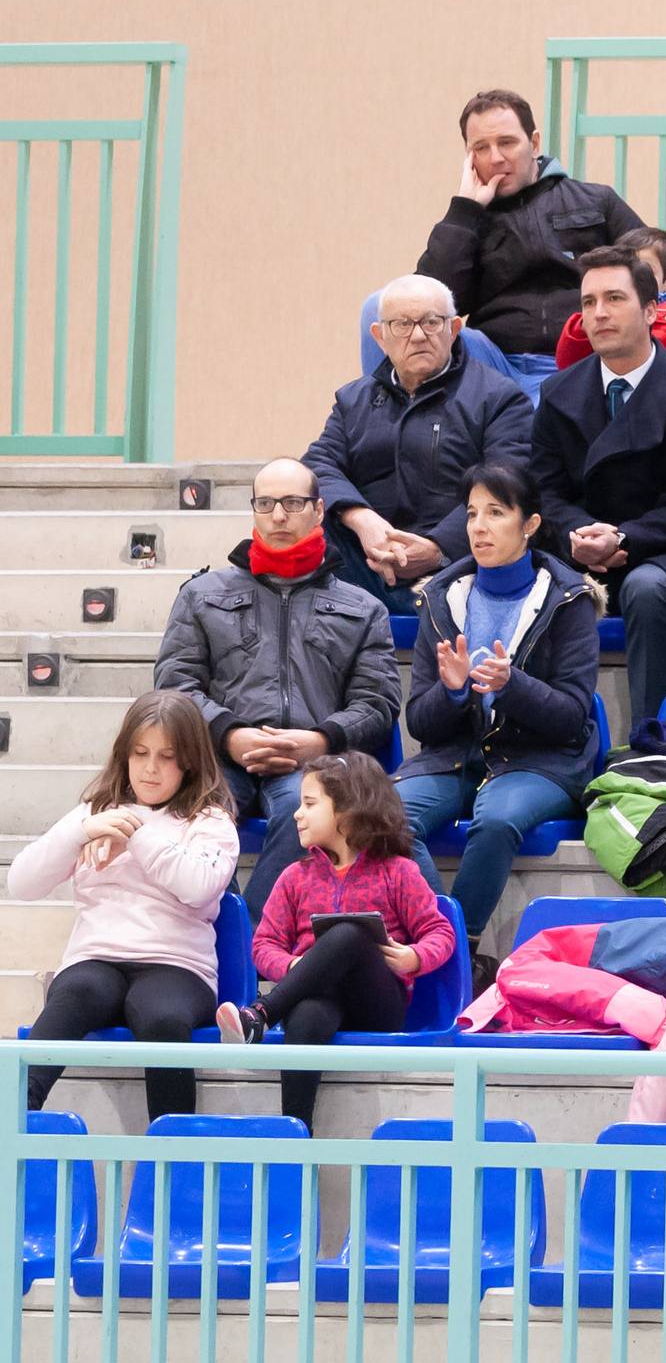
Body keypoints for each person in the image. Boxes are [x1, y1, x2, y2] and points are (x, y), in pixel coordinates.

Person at [155, 458, 400, 914]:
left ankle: (249, 942)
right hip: (219, 756)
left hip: (312, 762)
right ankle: (195, 935)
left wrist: (320, 740)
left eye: (292, 502)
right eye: (265, 503)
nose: (279, 515)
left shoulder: (363, 608)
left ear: (319, 509)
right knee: (201, 816)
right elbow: (175, 683)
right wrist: (229, 733)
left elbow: (378, 702)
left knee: (304, 814)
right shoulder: (203, 594)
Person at [529, 245, 666, 727]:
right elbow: (545, 494)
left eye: (614, 299)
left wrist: (622, 539)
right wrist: (579, 536)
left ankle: (652, 742)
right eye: (588, 302)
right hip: (579, 551)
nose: (598, 314)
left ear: (650, 310)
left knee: (646, 589)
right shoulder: (558, 393)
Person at [395, 463, 602, 951]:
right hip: (454, 757)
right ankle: (440, 943)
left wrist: (512, 686)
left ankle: (456, 948)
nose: (478, 527)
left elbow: (573, 716)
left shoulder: (568, 600)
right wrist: (451, 692)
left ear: (529, 524)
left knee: (495, 820)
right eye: (471, 514)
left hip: (541, 761)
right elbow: (419, 721)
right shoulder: (442, 598)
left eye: (495, 512)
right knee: (385, 817)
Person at [15, 692, 239, 1125]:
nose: (150, 768)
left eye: (165, 756)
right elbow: (22, 882)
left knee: (160, 1017)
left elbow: (199, 887)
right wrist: (80, 833)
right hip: (96, 959)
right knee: (74, 993)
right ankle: (15, 1111)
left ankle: (172, 1154)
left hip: (176, 967)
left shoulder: (210, 821)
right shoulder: (95, 812)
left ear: (190, 761)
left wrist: (134, 834)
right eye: (139, 754)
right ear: (124, 755)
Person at [217, 752, 458, 1128]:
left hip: (378, 1005)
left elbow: (441, 932)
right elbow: (263, 947)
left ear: (348, 811)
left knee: (349, 933)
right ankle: (296, 1135)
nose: (297, 813)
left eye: (310, 804)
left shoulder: (399, 872)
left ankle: (261, 1014)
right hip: (318, 998)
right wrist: (295, 966)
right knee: (307, 1014)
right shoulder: (294, 876)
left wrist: (414, 956)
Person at [311, 273, 534, 615]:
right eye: (402, 324)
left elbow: (508, 487)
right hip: (367, 563)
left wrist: (436, 548)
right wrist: (362, 519)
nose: (417, 336)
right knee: (289, 506)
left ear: (454, 329)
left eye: (431, 322)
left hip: (457, 567)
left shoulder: (499, 398)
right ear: (380, 336)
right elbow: (317, 465)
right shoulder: (353, 400)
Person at [414, 88, 643, 401]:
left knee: (533, 426)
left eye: (507, 142)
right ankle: (396, 423)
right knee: (383, 310)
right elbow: (429, 297)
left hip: (578, 360)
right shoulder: (468, 220)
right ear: (469, 158)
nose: (495, 158)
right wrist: (465, 210)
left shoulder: (595, 201)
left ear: (534, 143)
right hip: (492, 360)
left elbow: (650, 272)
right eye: (481, 147)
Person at [555, 227, 666, 379]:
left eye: (645, 270)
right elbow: (569, 368)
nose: (633, 277)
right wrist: (581, 329)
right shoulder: (600, 315)